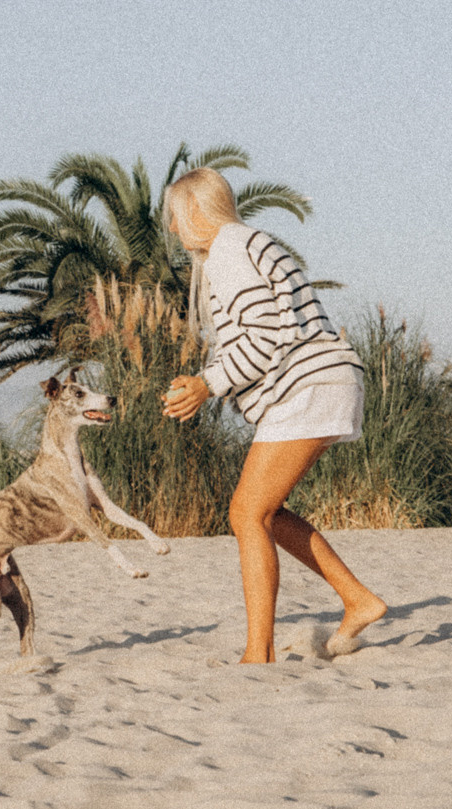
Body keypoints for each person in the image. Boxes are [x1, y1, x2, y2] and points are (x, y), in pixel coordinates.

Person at [159, 167, 387, 664]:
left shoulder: (229, 250)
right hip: (319, 383)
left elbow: (263, 337)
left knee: (245, 513)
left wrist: (209, 384)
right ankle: (358, 600)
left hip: (309, 387)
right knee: (266, 513)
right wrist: (203, 379)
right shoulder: (246, 243)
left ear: (196, 211)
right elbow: (260, 332)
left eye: (175, 218)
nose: (174, 231)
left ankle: (257, 653)